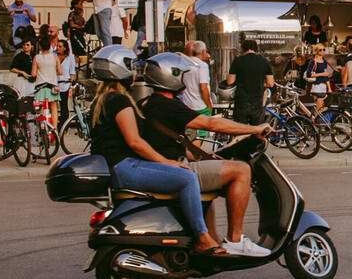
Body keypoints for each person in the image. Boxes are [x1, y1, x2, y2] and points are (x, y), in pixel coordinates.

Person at [89, 47, 272, 258]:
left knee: (197, 178)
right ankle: (211, 239)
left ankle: (210, 238)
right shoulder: (120, 101)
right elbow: (136, 142)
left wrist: (202, 156)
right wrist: (166, 162)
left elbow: (159, 140)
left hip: (120, 166)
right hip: (125, 165)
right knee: (191, 177)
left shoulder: (108, 101)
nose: (134, 72)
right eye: (130, 67)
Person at [229, 36, 274, 124]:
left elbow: (230, 81)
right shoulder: (264, 61)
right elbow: (270, 83)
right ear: (255, 49)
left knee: (240, 131)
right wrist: (259, 83)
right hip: (257, 101)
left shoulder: (237, 61)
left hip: (241, 101)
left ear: (243, 48)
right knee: (256, 130)